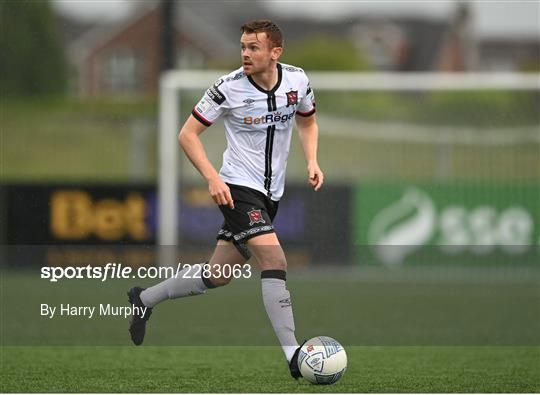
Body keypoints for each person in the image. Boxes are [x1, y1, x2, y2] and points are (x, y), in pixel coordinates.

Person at [127, 19, 323, 379]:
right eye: (243, 47)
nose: (245, 54)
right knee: (275, 259)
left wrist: (312, 160)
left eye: (254, 48)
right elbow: (188, 134)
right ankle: (295, 356)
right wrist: (213, 178)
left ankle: (144, 299)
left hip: (271, 194)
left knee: (219, 275)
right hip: (236, 188)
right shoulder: (228, 87)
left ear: (275, 52)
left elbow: (308, 120)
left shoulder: (297, 80)